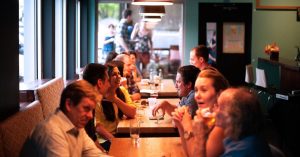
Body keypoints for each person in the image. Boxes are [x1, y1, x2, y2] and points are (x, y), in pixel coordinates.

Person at [21, 80, 107, 157]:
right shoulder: (52, 132)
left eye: (91, 110)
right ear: (68, 104)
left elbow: (94, 154)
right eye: (86, 108)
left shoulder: (76, 125)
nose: (90, 116)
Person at [195, 87, 272, 156]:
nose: (215, 110)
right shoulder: (236, 136)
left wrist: (200, 136)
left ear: (233, 116)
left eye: (219, 106)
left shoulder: (242, 151)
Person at [172, 68, 229, 157]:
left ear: (219, 94)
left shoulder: (222, 124)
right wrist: (180, 125)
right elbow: (190, 154)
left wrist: (187, 126)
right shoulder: (206, 119)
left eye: (204, 90)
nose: (197, 96)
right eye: (196, 90)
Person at [95, 62, 136, 151]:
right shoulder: (99, 96)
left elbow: (132, 113)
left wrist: (115, 99)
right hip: (105, 139)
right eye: (114, 74)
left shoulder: (122, 90)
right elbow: (98, 127)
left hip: (121, 133)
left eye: (119, 73)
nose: (118, 76)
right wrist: (114, 140)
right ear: (107, 78)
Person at [82, 63, 111, 151]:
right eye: (108, 81)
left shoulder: (91, 101)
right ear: (100, 83)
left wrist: (104, 153)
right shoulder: (85, 106)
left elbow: (92, 138)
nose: (109, 85)